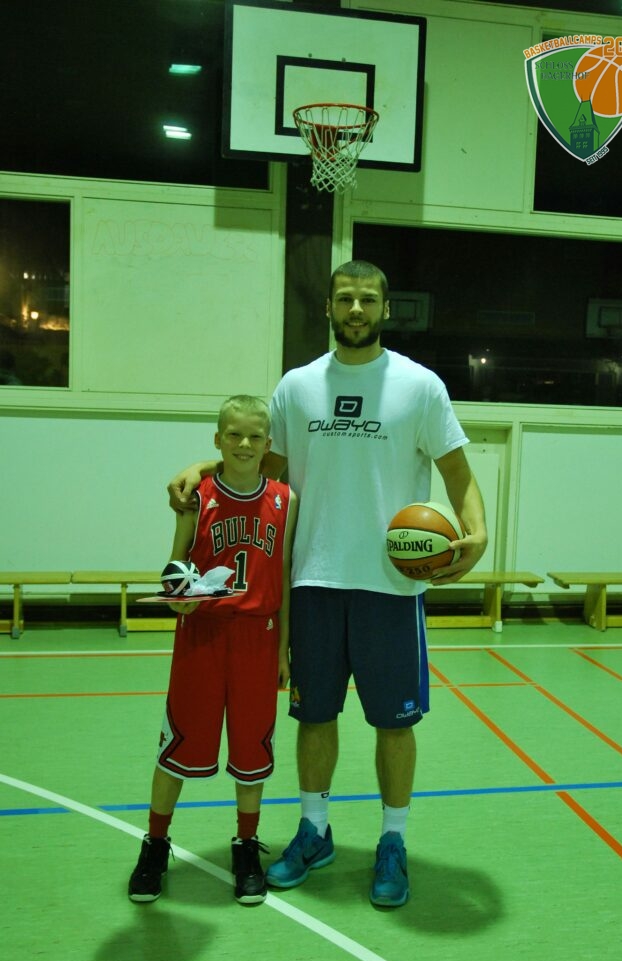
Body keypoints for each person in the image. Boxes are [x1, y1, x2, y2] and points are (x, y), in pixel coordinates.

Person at [167, 261, 487, 908]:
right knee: (313, 716)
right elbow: (263, 465)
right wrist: (204, 465)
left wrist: (477, 533)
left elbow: (457, 472)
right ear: (329, 308)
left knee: (394, 724)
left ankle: (392, 840)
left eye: (367, 299)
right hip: (311, 578)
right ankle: (314, 829)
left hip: (390, 586)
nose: (356, 309)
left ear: (386, 309)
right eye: (345, 298)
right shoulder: (298, 387)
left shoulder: (419, 386)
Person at [129, 395, 297, 906]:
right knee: (178, 746)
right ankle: (155, 844)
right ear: (217, 439)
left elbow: (284, 576)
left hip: (258, 638)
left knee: (252, 752)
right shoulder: (197, 496)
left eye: (254, 436)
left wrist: (284, 649)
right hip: (201, 635)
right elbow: (175, 565)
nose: (244, 444)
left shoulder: (285, 499)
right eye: (234, 435)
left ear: (268, 444)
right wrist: (177, 597)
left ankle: (245, 846)